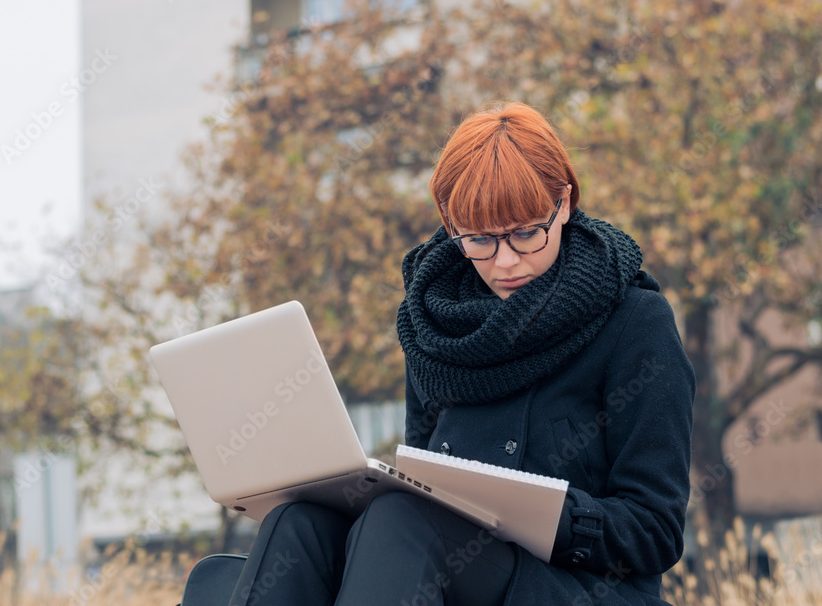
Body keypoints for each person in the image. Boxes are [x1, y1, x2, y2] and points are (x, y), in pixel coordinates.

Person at [227, 101, 695, 606]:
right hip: (456, 568)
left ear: (563, 203)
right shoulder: (435, 327)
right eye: (480, 240)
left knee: (402, 519)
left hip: (577, 589)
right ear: (451, 225)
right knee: (299, 523)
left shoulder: (634, 321)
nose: (507, 260)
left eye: (525, 232)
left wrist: (538, 511)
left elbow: (655, 531)